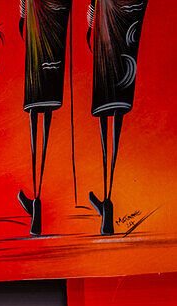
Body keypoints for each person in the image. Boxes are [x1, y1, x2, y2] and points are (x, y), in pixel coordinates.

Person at [88, 0, 148, 235]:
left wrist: (90, 19)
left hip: (106, 19)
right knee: (118, 106)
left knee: (105, 105)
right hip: (128, 22)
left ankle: (107, 201)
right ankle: (108, 199)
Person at [17, 0, 70, 237]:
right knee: (46, 114)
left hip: (36, 30)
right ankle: (38, 196)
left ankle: (36, 200)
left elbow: (22, 14)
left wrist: (23, 19)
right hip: (57, 27)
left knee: (35, 115)